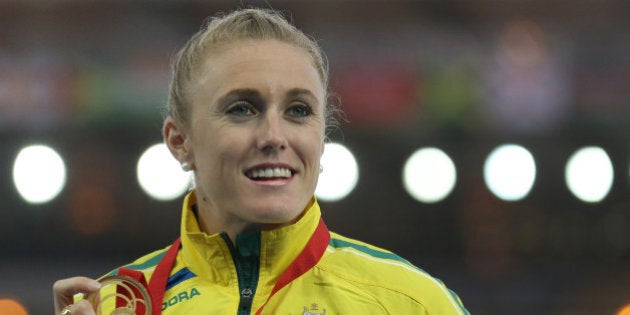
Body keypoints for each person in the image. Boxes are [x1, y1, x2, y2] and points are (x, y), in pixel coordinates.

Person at [53, 8, 469, 315]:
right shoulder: (118, 304)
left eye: (299, 111)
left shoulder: (412, 303)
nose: (274, 137)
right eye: (241, 109)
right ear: (179, 141)